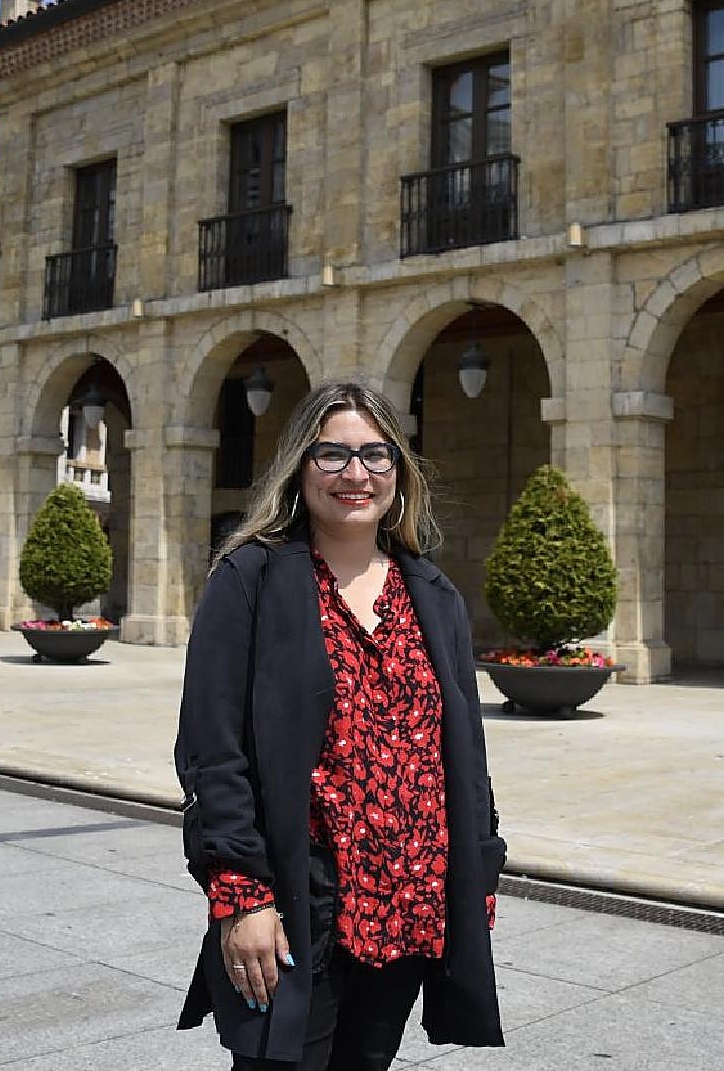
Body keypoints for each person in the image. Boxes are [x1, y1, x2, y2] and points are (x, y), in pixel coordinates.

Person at [174, 382, 506, 1069]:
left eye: (375, 455)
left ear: (399, 471)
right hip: (301, 901)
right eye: (332, 455)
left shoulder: (432, 593)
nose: (356, 474)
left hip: (411, 901)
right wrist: (241, 895)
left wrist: (479, 873)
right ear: (300, 466)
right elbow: (213, 750)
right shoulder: (251, 578)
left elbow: (466, 755)